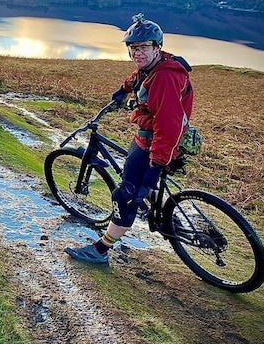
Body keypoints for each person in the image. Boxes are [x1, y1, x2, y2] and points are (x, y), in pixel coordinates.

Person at [65, 13, 194, 264]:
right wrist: (123, 91)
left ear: (157, 47)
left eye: (144, 47)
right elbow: (137, 77)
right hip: (145, 139)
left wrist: (156, 167)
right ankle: (168, 217)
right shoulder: (153, 66)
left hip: (157, 143)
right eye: (133, 48)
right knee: (135, 179)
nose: (138, 53)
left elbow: (167, 127)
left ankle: (101, 250)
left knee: (124, 195)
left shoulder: (165, 77)